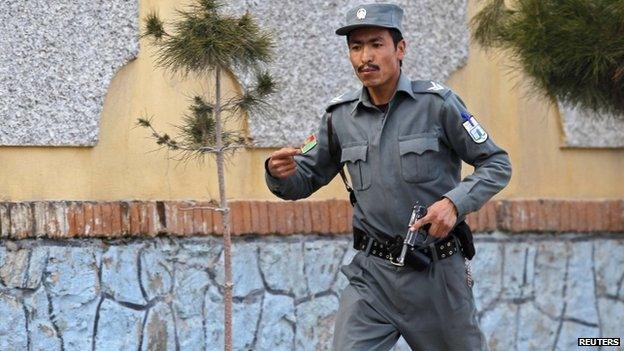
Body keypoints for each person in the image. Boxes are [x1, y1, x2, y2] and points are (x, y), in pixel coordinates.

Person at [264, 3, 511, 350]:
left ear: (400, 49)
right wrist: (278, 175)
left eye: (376, 44)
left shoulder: (437, 104)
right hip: (372, 278)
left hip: (436, 275)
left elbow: (496, 163)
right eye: (356, 46)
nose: (365, 56)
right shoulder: (339, 117)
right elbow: (304, 178)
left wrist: (453, 204)